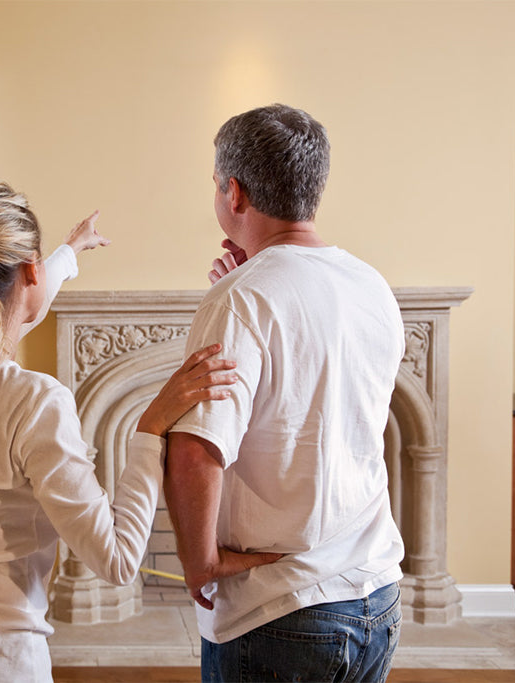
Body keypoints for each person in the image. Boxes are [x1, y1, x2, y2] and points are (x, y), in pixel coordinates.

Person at [0, 178, 272, 683]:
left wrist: (68, 252)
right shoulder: (34, 403)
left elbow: (12, 314)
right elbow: (119, 560)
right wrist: (151, 425)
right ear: (28, 271)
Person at [164, 104, 406, 682]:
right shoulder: (372, 286)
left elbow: (197, 450)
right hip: (376, 593)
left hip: (282, 610)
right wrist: (251, 282)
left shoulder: (241, 299)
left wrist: (200, 565)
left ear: (235, 192)